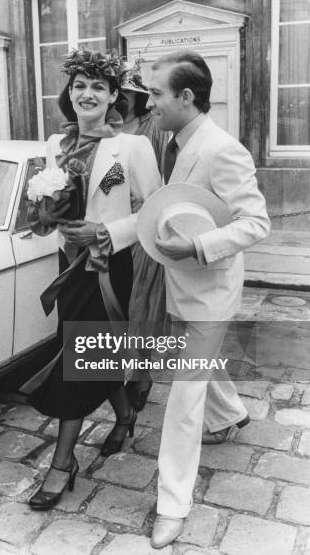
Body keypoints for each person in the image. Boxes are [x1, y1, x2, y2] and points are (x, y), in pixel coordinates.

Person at [140, 50, 270, 549]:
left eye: (156, 94)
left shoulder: (222, 149)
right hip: (184, 285)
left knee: (183, 395)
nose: (149, 102)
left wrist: (197, 246)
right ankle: (232, 415)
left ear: (186, 96)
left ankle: (172, 504)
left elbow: (256, 222)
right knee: (202, 366)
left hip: (209, 290)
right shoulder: (174, 140)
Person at [25, 49, 161, 511]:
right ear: (69, 93)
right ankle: (124, 414)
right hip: (69, 266)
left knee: (80, 358)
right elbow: (51, 207)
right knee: (90, 352)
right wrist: (44, 217)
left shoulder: (133, 149)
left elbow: (153, 210)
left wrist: (106, 231)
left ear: (113, 97)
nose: (87, 94)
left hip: (111, 269)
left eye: (98, 87)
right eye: (79, 85)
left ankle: (62, 463)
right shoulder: (53, 145)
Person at [117, 67, 170, 411]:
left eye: (126, 96)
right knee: (120, 310)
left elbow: (165, 177)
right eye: (117, 96)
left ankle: (140, 375)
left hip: (146, 229)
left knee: (142, 307)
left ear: (139, 99)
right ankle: (125, 375)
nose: (120, 102)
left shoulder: (154, 131)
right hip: (116, 228)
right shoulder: (108, 132)